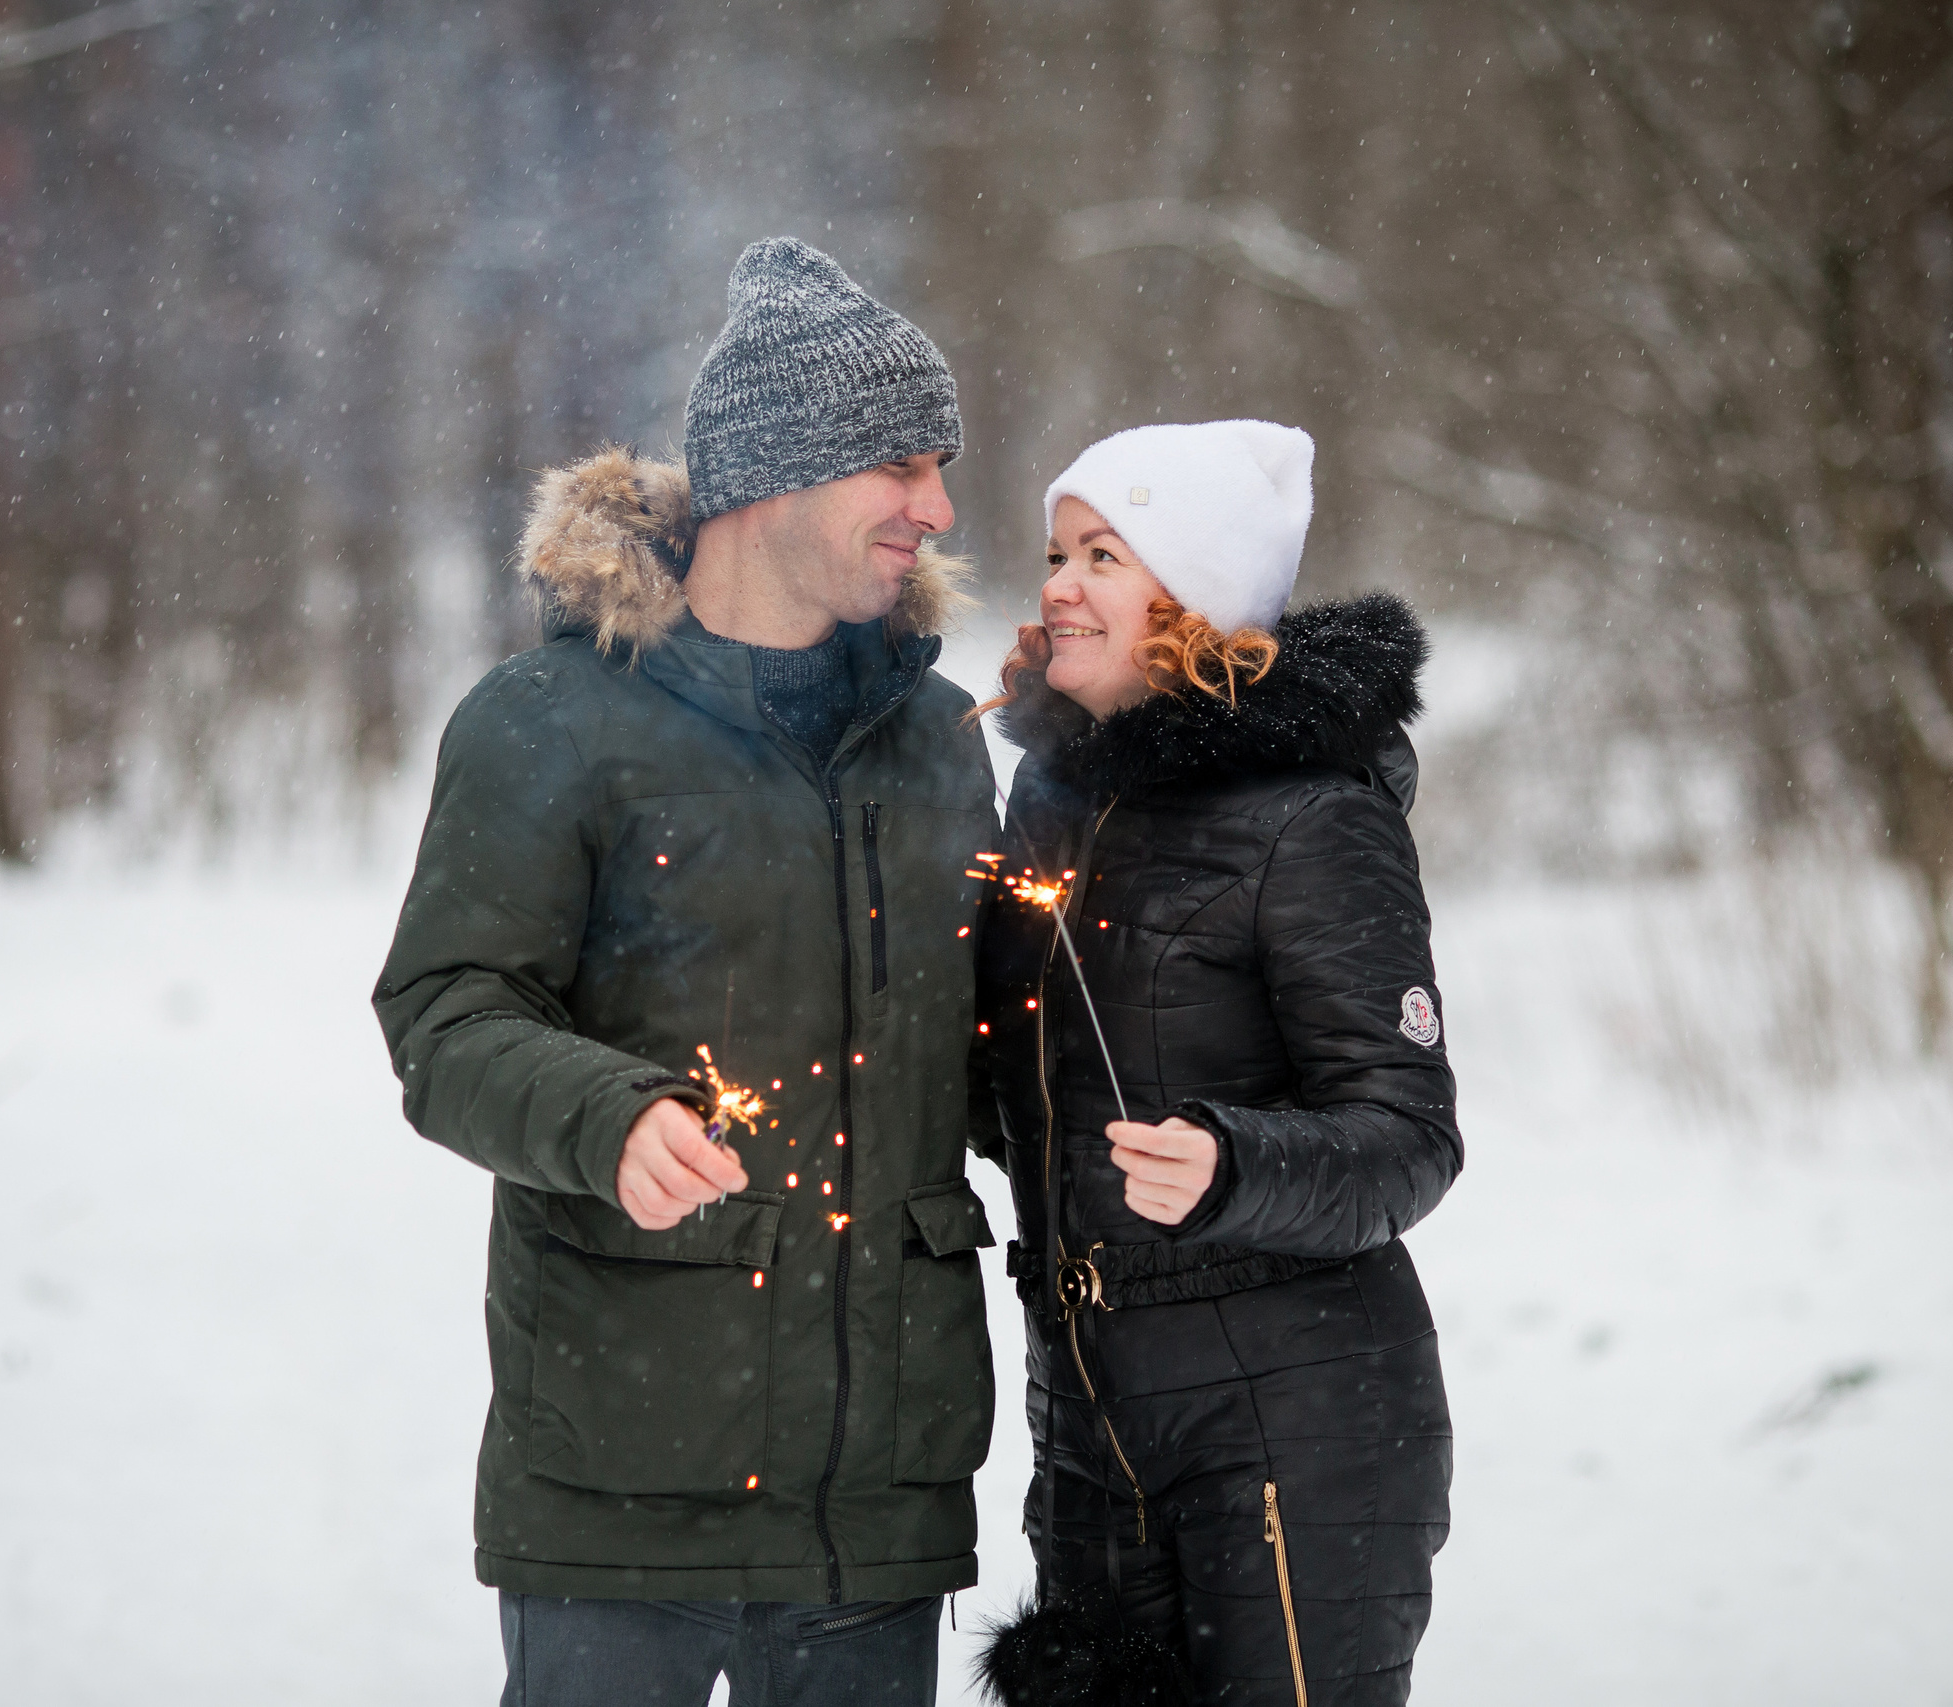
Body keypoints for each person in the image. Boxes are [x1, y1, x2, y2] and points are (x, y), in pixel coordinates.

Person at [373, 237, 1001, 1707]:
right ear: (779, 473)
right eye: (902, 466)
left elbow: (1015, 1052)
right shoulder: (552, 722)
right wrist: (608, 1113)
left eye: (943, 467)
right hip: (617, 1486)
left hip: (878, 1504)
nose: (940, 508)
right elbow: (447, 1014)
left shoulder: (946, 742)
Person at [971, 421, 1462, 1707]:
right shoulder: (1050, 807)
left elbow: (1408, 1136)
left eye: (1101, 556)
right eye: (1055, 555)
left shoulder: (1316, 814)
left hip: (1298, 1432)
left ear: (1188, 598)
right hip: (1087, 1420)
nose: (1057, 585)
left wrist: (1235, 1163)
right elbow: (1020, 1084)